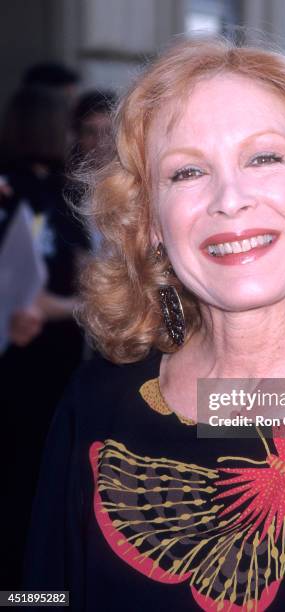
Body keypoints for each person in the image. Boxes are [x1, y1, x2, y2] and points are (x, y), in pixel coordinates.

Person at [23, 35, 285, 611]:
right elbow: (38, 594)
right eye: (188, 172)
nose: (230, 198)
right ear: (151, 223)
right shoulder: (95, 404)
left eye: (264, 158)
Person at [0, 86, 88, 589]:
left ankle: (27, 591)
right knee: (34, 480)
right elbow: (83, 278)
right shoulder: (48, 193)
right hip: (39, 357)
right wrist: (71, 307)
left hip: (34, 354)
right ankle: (31, 594)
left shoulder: (51, 190)